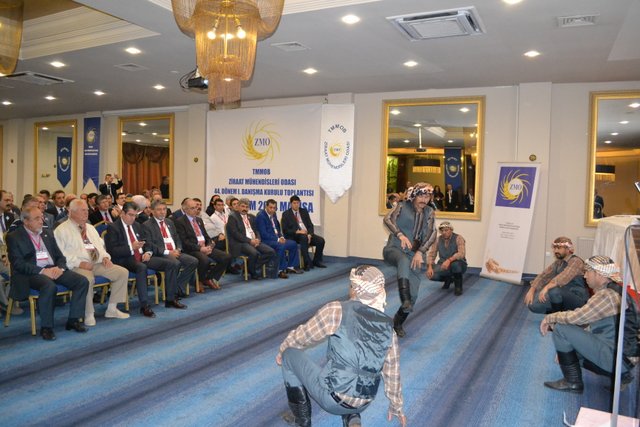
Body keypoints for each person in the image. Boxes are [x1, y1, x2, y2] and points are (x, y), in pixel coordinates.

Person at [276, 265, 406, 427]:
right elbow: (393, 373)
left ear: (355, 289)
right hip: (365, 401)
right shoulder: (389, 329)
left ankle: (302, 421)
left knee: (289, 355)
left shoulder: (336, 311)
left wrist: (283, 349)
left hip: (333, 400)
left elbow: (302, 336)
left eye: (351, 285)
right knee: (356, 368)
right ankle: (353, 420)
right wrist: (396, 406)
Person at [541, 255, 639, 393]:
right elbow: (594, 325)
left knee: (561, 328)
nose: (585, 275)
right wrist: (569, 350)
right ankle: (622, 375)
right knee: (571, 348)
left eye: (588, 272)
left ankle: (572, 383)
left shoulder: (607, 295)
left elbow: (577, 317)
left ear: (599, 274)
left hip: (618, 359)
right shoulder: (616, 291)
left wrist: (550, 318)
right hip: (625, 358)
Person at [6, 206, 90, 340]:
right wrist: (43, 271)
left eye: (41, 217)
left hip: (53, 269)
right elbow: (18, 264)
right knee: (49, 286)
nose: (41, 221)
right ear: (26, 221)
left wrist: (60, 268)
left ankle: (74, 320)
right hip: (31, 273)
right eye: (37, 218)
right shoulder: (14, 237)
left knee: (82, 281)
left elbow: (60, 256)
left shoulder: (48, 233)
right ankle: (47, 327)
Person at [54, 199, 130, 326]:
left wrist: (105, 257)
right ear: (71, 212)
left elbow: (101, 245)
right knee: (87, 280)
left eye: (87, 210)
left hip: (96, 263)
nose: (86, 213)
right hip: (77, 266)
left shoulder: (90, 228)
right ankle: (88, 313)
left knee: (122, 272)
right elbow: (61, 254)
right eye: (82, 210)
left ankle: (112, 309)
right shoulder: (61, 230)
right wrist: (79, 263)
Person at [383, 182, 436, 338]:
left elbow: (432, 234)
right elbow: (387, 219)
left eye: (427, 197)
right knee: (403, 261)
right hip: (395, 248)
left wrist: (420, 252)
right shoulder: (401, 206)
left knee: (413, 295)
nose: (424, 200)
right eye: (421, 196)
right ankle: (404, 297)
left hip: (415, 254)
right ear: (414, 195)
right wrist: (400, 234)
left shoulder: (430, 212)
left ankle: (398, 322)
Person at [103, 202, 160, 318]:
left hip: (141, 256)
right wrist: (131, 248)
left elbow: (146, 242)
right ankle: (144, 305)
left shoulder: (137, 225)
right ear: (122, 213)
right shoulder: (113, 227)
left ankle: (171, 298)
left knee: (170, 263)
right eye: (130, 215)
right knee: (141, 267)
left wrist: (148, 252)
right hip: (124, 259)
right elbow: (113, 251)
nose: (133, 218)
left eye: (135, 215)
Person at [143, 199, 198, 304]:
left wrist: (178, 249)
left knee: (193, 261)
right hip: (161, 254)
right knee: (175, 263)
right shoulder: (147, 225)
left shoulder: (169, 222)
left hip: (175, 251)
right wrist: (168, 252)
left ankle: (177, 287)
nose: (162, 212)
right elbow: (150, 245)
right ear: (152, 211)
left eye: (164, 209)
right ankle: (172, 295)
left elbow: (177, 238)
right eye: (159, 209)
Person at [174, 198, 231, 290]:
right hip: (192, 249)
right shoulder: (180, 221)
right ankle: (199, 280)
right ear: (185, 209)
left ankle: (208, 278)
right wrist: (200, 248)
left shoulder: (199, 220)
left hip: (205, 247)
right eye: (192, 208)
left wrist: (210, 245)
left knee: (226, 257)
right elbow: (185, 242)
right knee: (205, 260)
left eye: (196, 207)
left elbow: (206, 236)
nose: (196, 210)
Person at [524, 237, 589, 314]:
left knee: (553, 290)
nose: (555, 251)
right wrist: (532, 290)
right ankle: (561, 311)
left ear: (568, 249)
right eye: (554, 248)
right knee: (533, 305)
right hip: (560, 294)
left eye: (559, 248)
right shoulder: (559, 262)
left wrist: (546, 288)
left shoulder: (576, 261)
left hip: (576, 297)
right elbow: (544, 275)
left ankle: (557, 316)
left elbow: (563, 277)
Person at [227, 198, 276, 281]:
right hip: (240, 243)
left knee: (270, 252)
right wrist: (250, 241)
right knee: (254, 253)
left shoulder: (251, 217)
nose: (244, 209)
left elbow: (256, 230)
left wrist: (258, 239)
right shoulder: (233, 217)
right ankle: (253, 272)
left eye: (246, 207)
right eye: (242, 206)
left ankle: (250, 267)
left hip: (254, 241)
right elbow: (236, 235)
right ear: (238, 207)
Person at [256, 199, 303, 279]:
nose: (272, 210)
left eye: (274, 208)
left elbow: (277, 229)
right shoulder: (261, 216)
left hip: (276, 238)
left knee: (293, 244)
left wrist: (281, 237)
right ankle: (280, 270)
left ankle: (291, 266)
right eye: (270, 207)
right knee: (281, 246)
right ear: (266, 207)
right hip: (266, 240)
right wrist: (278, 240)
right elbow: (264, 234)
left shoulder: (274, 214)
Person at [281, 195, 326, 270]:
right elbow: (285, 230)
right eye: (294, 203)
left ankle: (317, 261)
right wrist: (297, 231)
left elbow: (310, 225)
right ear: (291, 204)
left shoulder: (304, 211)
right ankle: (307, 263)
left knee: (321, 241)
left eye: (298, 203)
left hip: (306, 234)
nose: (296, 205)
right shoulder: (286, 214)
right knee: (303, 238)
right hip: (295, 236)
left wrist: (310, 234)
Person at [426, 221, 468, 296]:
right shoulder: (438, 239)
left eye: (446, 230)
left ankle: (458, 287)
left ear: (451, 230)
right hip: (443, 265)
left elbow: (461, 253)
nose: (444, 232)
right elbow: (432, 254)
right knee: (431, 275)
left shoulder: (459, 238)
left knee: (455, 265)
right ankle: (448, 279)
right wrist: (429, 267)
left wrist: (449, 260)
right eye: (442, 231)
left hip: (459, 264)